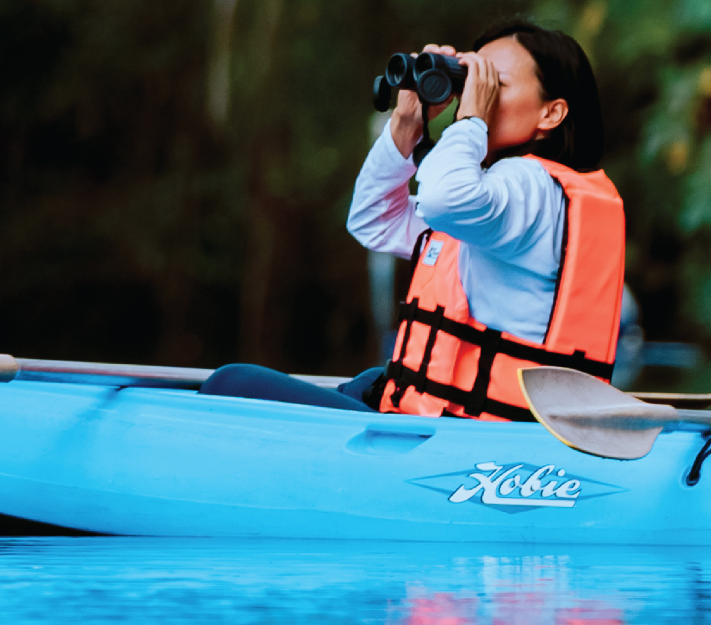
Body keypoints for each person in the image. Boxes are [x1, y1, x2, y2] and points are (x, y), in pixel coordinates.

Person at [203, 22, 627, 418]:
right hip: (449, 416)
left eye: (492, 85)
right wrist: (407, 122)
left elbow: (442, 197)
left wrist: (470, 121)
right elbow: (374, 220)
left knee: (231, 382)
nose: (473, 97)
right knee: (372, 380)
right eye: (470, 82)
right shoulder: (495, 202)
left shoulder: (529, 188)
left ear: (551, 114)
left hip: (468, 437)